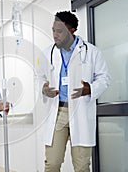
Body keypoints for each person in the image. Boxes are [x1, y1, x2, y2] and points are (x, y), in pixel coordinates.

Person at [41, 11, 110, 172]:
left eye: (60, 31)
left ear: (72, 30)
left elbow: (104, 78)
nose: (55, 35)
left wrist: (90, 89)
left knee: (81, 166)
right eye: (53, 30)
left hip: (80, 110)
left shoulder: (91, 52)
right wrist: (44, 89)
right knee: (52, 163)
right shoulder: (48, 53)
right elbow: (38, 76)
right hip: (57, 111)